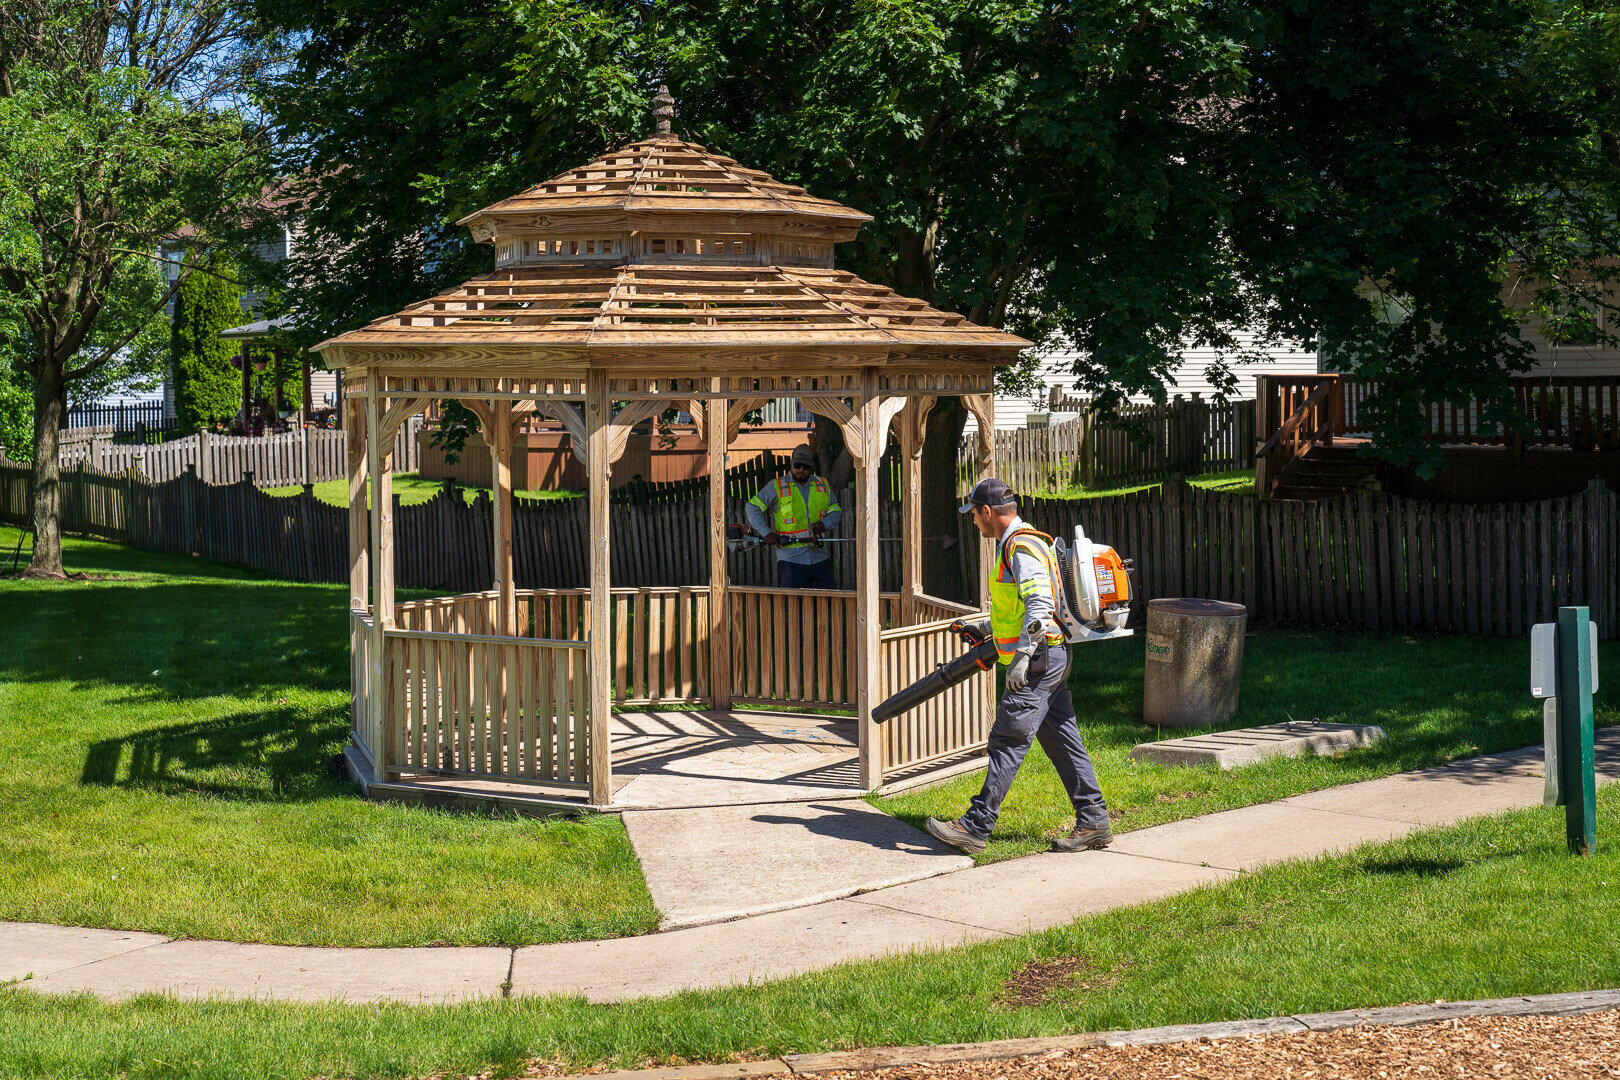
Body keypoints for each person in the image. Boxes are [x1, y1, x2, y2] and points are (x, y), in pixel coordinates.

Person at [925, 477, 1112, 855]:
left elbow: (1040, 606)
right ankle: (1093, 821)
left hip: (1038, 660)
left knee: (1008, 739)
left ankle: (975, 827)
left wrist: (1022, 658)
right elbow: (1019, 607)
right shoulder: (1025, 542)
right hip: (1051, 656)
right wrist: (987, 628)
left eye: (975, 514)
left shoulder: (1019, 547)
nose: (974, 521)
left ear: (988, 512)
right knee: (1063, 739)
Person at [745, 443, 843, 589]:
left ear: (812, 467)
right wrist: (766, 533)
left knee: (828, 602)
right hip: (791, 558)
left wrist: (824, 524)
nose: (801, 470)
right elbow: (751, 507)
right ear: (791, 464)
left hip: (819, 555)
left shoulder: (822, 485)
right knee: (795, 605)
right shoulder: (777, 486)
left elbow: (836, 512)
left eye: (806, 466)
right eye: (797, 465)